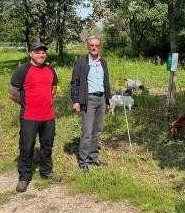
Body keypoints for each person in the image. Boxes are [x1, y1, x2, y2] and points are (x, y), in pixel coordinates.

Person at [9, 42, 61, 192]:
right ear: (30, 53)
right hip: (29, 116)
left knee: (47, 144)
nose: (41, 55)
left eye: (43, 52)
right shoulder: (23, 69)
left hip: (48, 116)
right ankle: (24, 177)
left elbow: (54, 87)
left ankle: (46, 171)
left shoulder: (50, 69)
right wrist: (26, 103)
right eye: (38, 52)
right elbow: (12, 92)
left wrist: (47, 99)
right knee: (26, 146)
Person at [70, 35, 112, 173]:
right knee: (87, 132)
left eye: (96, 45)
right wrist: (76, 101)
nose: (94, 47)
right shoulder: (81, 62)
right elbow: (75, 82)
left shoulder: (103, 62)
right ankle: (83, 161)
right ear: (88, 46)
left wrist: (108, 99)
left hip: (101, 98)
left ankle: (93, 157)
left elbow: (106, 81)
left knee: (97, 131)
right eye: (91, 45)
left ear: (100, 47)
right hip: (88, 99)